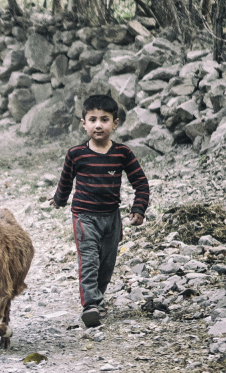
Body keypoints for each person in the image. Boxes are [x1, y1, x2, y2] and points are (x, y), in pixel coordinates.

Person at [49, 94, 150, 328]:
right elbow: (65, 183)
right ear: (83, 123)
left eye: (104, 119)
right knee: (89, 260)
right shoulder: (76, 154)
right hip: (84, 217)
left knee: (107, 263)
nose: (98, 125)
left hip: (112, 218)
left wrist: (139, 208)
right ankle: (90, 305)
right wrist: (58, 200)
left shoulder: (122, 153)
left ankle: (98, 297)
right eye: (92, 119)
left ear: (115, 123)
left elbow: (141, 183)